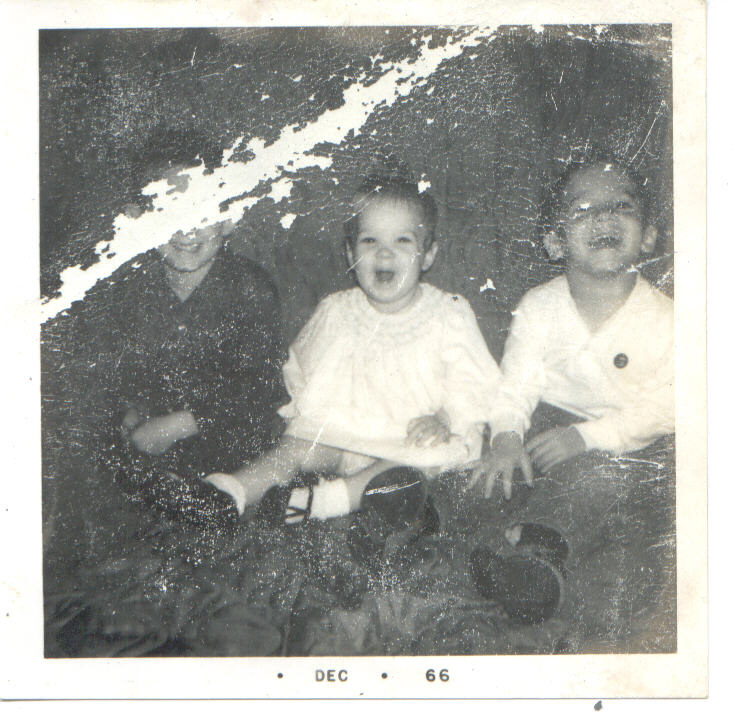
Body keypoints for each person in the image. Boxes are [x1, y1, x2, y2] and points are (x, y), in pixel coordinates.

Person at [44, 133, 295, 657]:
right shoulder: (124, 290)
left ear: (230, 218)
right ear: (140, 220)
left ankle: (207, 594)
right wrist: (128, 414)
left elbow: (261, 389)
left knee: (233, 577)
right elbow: (104, 377)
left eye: (202, 211)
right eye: (167, 210)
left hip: (227, 456)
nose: (185, 229)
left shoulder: (250, 289)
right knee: (108, 581)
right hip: (146, 467)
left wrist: (181, 422)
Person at [207, 175, 502, 527]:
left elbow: (474, 382)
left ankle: (324, 501)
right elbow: (301, 367)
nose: (384, 252)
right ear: (350, 254)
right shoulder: (337, 310)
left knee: (433, 458)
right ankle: (228, 491)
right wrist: (305, 415)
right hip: (345, 436)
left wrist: (444, 419)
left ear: (428, 255)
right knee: (296, 447)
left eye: (403, 240)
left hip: (413, 442)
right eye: (369, 240)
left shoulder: (449, 312)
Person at [467, 158, 675, 650]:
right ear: (555, 242)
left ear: (648, 236)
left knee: (603, 490)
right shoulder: (539, 306)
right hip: (545, 427)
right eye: (583, 210)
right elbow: (515, 385)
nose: (604, 217)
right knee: (486, 474)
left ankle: (537, 562)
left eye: (621, 206)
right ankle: (479, 544)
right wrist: (507, 438)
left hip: (626, 442)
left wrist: (586, 438)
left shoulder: (666, 319)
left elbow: (667, 407)